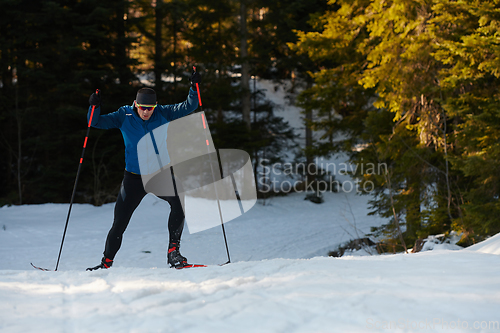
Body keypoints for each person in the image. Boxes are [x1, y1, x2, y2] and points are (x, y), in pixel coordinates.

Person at [86, 70, 201, 270]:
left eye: (150, 108)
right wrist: (94, 106)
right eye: (143, 108)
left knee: (180, 203)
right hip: (133, 178)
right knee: (119, 223)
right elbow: (94, 122)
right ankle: (105, 264)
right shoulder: (124, 115)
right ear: (135, 104)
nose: (146, 112)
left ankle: (173, 251)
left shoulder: (163, 112)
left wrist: (194, 88)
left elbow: (190, 106)